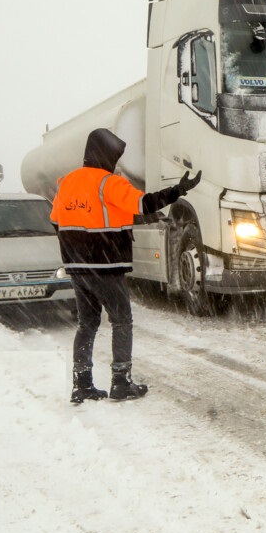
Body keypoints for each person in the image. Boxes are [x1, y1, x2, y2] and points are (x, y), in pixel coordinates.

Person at [52, 128, 201, 404]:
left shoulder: (66, 183)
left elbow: (56, 221)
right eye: (114, 156)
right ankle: (121, 382)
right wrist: (177, 191)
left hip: (77, 268)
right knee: (122, 321)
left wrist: (78, 245)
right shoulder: (109, 183)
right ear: (104, 154)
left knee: (86, 324)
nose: (116, 161)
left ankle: (81, 383)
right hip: (108, 265)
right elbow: (144, 204)